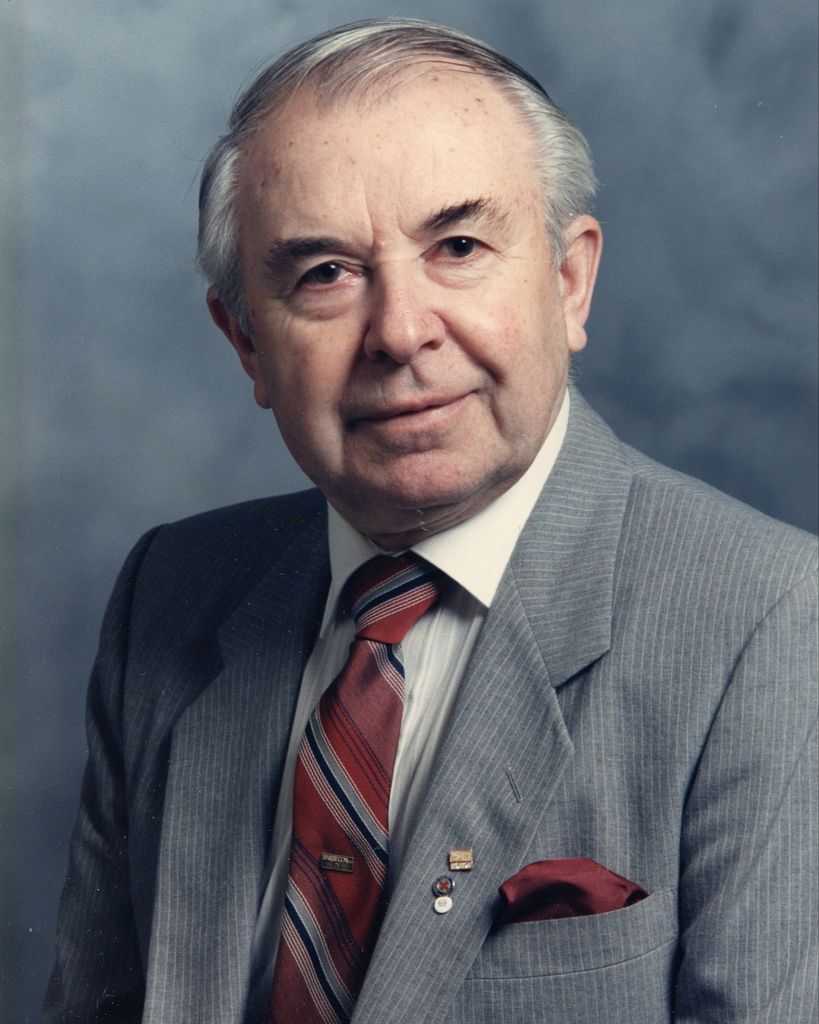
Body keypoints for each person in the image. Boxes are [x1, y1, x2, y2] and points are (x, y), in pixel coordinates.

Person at [43, 19, 816, 1024]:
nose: (401, 333)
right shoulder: (172, 591)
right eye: (325, 274)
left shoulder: (772, 622)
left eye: (457, 247)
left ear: (569, 281)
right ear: (245, 343)